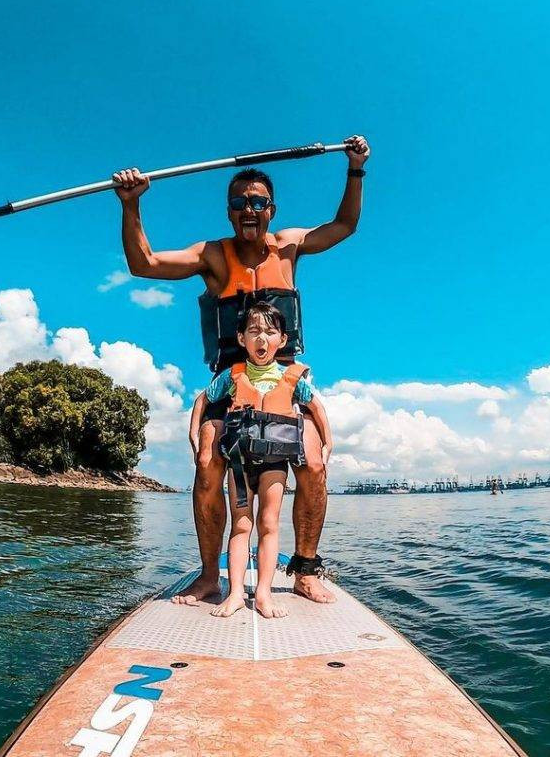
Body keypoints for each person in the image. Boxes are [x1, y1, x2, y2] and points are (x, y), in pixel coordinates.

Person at [113, 134, 369, 605]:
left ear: (271, 208)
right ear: (229, 211)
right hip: (230, 387)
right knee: (207, 462)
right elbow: (142, 264)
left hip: (284, 385)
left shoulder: (290, 247)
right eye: (239, 203)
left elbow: (345, 224)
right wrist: (131, 204)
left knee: (313, 463)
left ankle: (306, 569)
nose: (249, 210)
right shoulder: (212, 255)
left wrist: (355, 167)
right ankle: (211, 575)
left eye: (258, 202)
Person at [200, 303, 331, 619]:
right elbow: (203, 400)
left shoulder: (291, 377)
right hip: (239, 463)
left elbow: (316, 408)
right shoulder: (232, 376)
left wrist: (328, 442)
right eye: (254, 332)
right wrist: (195, 436)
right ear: (242, 339)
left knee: (269, 524)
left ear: (282, 340)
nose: (262, 339)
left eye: (270, 332)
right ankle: (233, 594)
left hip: (274, 464)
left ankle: (262, 594)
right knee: (241, 525)